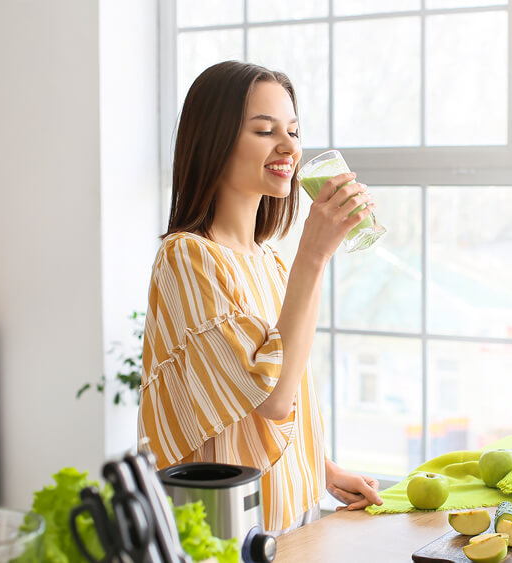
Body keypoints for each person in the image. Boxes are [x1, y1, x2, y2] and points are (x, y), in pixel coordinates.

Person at [137, 60, 383, 534]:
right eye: (265, 130)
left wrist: (322, 468)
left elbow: (262, 404)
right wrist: (314, 252)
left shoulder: (268, 260)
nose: (289, 147)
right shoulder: (187, 258)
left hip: (295, 516)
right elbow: (271, 399)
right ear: (214, 141)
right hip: (234, 531)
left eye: (293, 130)